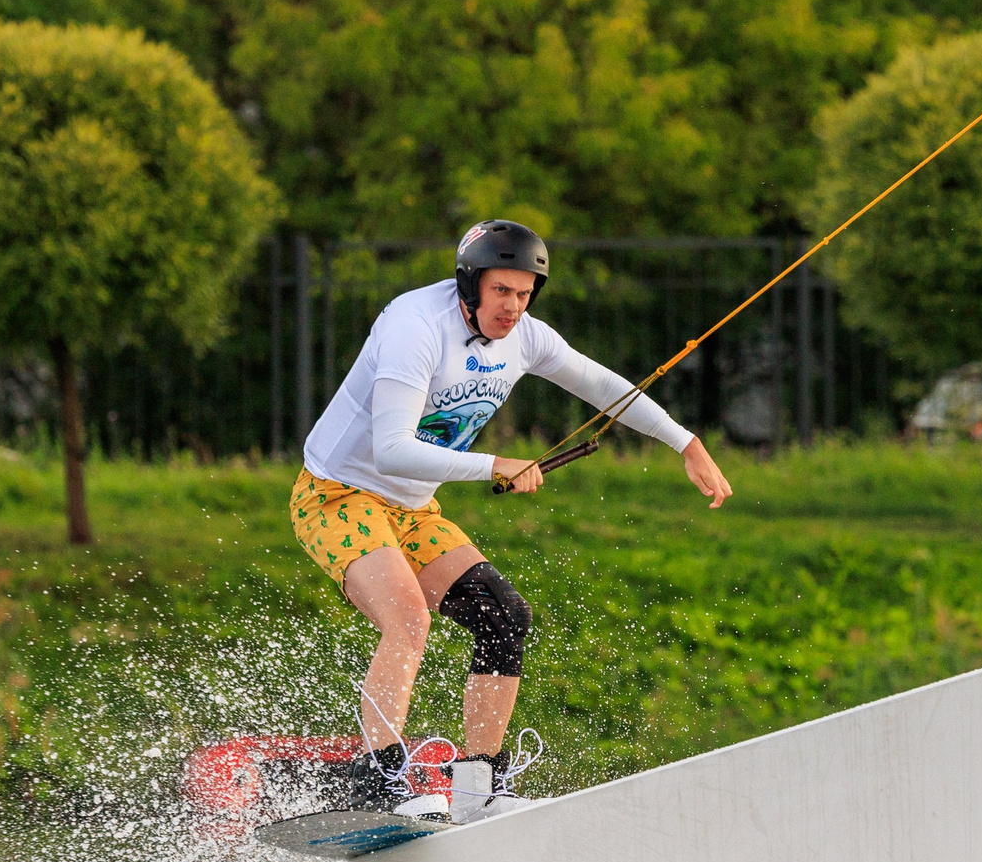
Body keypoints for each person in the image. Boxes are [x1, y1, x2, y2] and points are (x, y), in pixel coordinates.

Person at [291, 219, 732, 817]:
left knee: (505, 616)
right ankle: (373, 787)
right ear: (470, 284)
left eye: (525, 295)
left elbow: (602, 385)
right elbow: (391, 448)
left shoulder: (525, 336)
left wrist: (685, 443)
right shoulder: (413, 327)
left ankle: (478, 790)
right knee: (408, 618)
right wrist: (495, 463)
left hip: (414, 509)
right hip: (337, 495)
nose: (513, 308)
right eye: (502, 291)